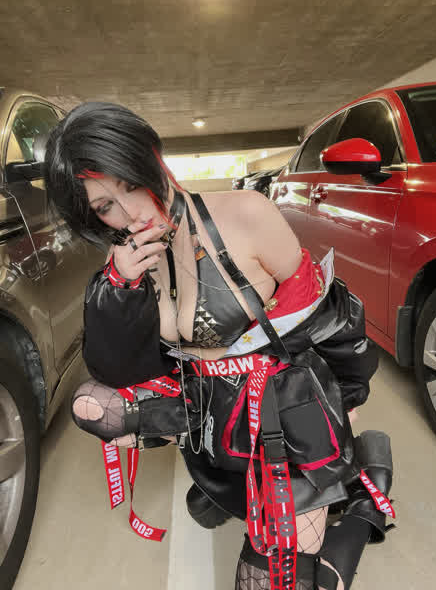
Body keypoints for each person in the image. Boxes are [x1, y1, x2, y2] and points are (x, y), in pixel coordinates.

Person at [44, 102, 395, 590]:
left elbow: (326, 315)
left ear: (151, 159)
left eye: (130, 184)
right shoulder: (126, 257)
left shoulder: (246, 214)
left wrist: (347, 399)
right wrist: (121, 285)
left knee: (284, 581)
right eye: (105, 206)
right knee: (90, 405)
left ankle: (363, 504)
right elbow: (116, 369)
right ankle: (225, 479)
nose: (131, 213)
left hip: (281, 416)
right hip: (204, 406)